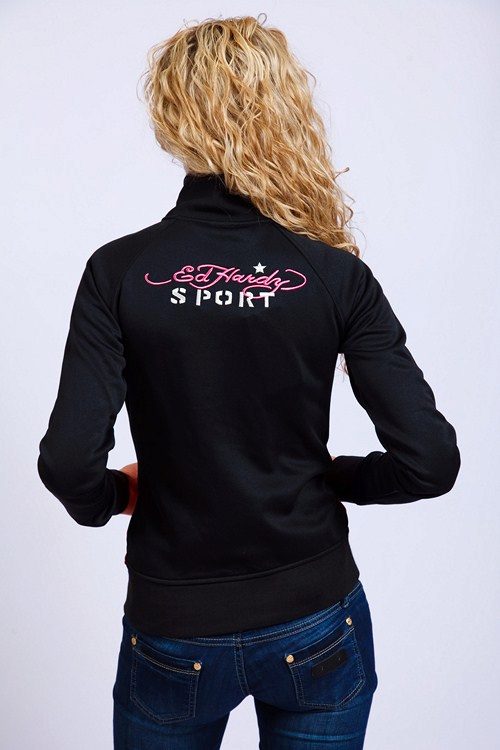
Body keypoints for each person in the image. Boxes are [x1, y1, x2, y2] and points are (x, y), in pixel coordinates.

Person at [36, 14, 461, 749]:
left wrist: (113, 497)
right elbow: (430, 461)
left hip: (173, 624)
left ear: (173, 118)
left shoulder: (119, 271)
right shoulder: (334, 275)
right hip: (315, 615)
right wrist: (333, 477)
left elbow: (68, 461)